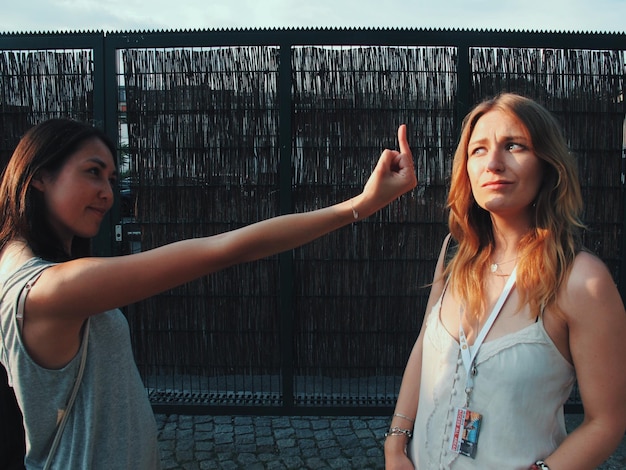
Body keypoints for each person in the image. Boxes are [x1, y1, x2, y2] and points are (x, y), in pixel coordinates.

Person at [0, 118, 417, 469]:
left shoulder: (19, 269)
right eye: (92, 172)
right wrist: (359, 205)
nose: (108, 193)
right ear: (38, 176)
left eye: (111, 177)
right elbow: (225, 250)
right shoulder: (51, 290)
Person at [384, 93, 626, 469]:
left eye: (514, 145)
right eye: (478, 150)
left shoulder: (581, 280)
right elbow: (424, 347)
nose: (493, 163)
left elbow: (608, 420)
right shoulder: (454, 253)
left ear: (548, 165)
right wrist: (396, 444)